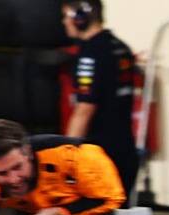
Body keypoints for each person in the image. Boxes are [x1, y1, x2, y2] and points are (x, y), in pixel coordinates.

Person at [62, 0, 140, 196]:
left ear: (80, 18)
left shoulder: (90, 54)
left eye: (66, 16)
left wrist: (66, 158)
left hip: (100, 155)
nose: (64, 22)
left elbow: (84, 110)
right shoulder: (121, 47)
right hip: (125, 150)